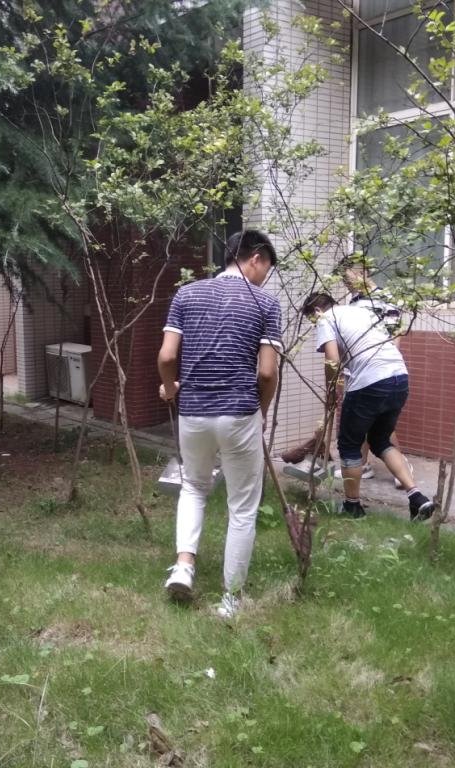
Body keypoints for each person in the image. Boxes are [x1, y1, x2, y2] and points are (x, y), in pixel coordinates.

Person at [157, 229, 282, 619]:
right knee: (242, 507)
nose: (265, 278)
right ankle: (230, 600)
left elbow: (166, 357)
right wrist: (260, 413)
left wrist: (170, 389)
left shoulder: (186, 295)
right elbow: (267, 373)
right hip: (239, 413)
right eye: (266, 269)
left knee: (194, 488)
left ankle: (184, 567)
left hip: (193, 412)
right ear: (255, 258)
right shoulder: (265, 303)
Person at [301, 291, 435, 521]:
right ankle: (417, 497)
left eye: (312, 321)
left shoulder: (325, 318)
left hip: (370, 382)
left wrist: (331, 392)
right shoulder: (360, 312)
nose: (315, 325)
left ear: (317, 311)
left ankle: (352, 507)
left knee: (349, 445)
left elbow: (332, 360)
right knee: (380, 440)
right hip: (399, 378)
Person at [331, 255, 412, 487]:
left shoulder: (386, 298)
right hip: (357, 369)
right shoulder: (353, 304)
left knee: (378, 422)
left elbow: (395, 333)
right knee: (364, 420)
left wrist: (383, 361)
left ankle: (402, 467)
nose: (347, 284)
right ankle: (363, 464)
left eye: (348, 279)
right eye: (344, 281)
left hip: (380, 369)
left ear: (363, 272)